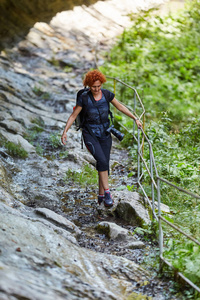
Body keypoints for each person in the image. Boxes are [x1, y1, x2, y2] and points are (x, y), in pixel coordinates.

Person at [61, 70, 142, 207]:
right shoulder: (84, 98)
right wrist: (65, 131)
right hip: (90, 133)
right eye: (93, 87)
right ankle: (108, 193)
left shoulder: (106, 94)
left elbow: (120, 107)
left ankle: (100, 196)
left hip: (105, 133)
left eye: (98, 86)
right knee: (102, 160)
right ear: (88, 85)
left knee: (104, 164)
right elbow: (73, 116)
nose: (96, 89)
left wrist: (135, 118)